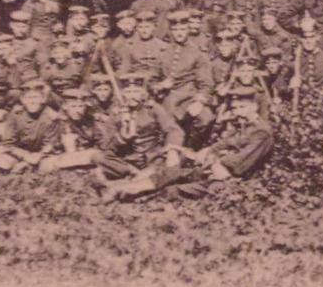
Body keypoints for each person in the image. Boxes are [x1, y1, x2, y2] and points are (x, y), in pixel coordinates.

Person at [100, 86, 274, 202]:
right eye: (235, 108)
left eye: (241, 107)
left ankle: (136, 196)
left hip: (234, 180)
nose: (237, 112)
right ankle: (122, 188)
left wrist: (215, 161)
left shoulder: (261, 132)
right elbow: (223, 144)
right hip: (211, 170)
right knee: (172, 173)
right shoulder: (241, 126)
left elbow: (239, 164)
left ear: (254, 107)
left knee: (175, 191)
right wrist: (208, 152)